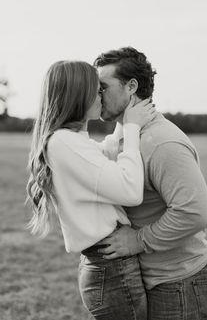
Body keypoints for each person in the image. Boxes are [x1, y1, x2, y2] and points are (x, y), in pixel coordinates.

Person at [94, 47, 207, 320]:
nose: (96, 95)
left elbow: (195, 213)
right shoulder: (125, 132)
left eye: (102, 87)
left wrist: (138, 241)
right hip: (152, 283)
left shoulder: (161, 142)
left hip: (181, 287)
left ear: (131, 87)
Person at [26, 60, 157, 320]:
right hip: (112, 270)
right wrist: (131, 129)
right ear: (78, 95)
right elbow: (130, 190)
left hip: (108, 266)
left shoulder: (67, 140)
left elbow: (102, 157)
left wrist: (124, 120)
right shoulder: (64, 142)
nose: (101, 96)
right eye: (96, 90)